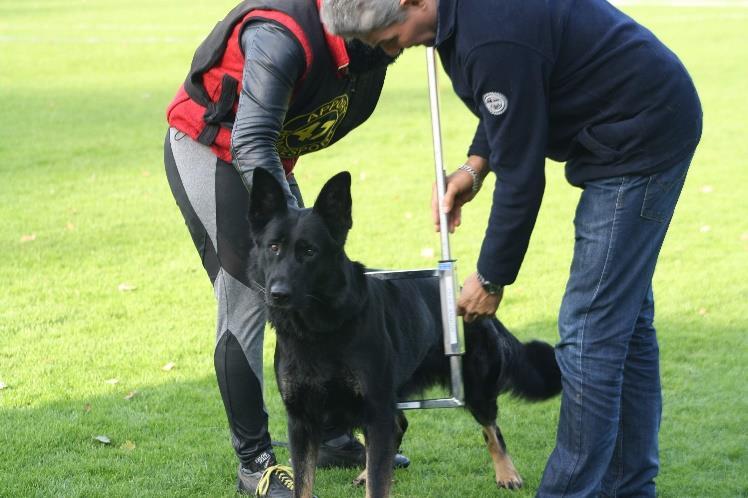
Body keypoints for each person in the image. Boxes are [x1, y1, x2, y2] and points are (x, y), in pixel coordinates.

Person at [320, 0, 702, 496]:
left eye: (389, 37)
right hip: (637, 123)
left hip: (640, 140)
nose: (394, 50)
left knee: (590, 332)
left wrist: (491, 277)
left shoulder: (491, 32)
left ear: (412, 1)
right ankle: (631, 486)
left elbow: (522, 177)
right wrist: (475, 166)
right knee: (626, 325)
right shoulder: (462, 24)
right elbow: (510, 96)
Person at [163, 1, 408, 495]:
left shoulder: (368, 51)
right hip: (213, 148)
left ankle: (331, 430)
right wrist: (288, 222)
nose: (400, 43)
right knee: (252, 296)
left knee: (314, 283)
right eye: (391, 35)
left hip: (266, 157)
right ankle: (255, 461)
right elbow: (249, 138)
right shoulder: (282, 36)